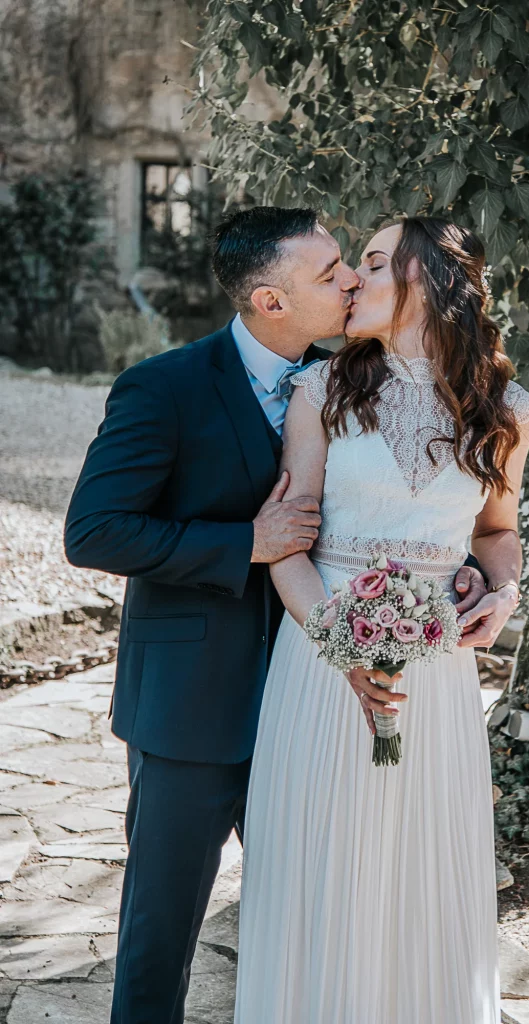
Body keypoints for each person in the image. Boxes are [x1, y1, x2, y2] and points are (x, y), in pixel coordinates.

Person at [63, 206, 486, 1024]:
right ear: (272, 301)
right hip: (192, 702)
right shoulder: (166, 386)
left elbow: (392, 513)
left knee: (317, 912)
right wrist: (244, 544)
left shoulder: (350, 383)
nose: (352, 280)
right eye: (330, 274)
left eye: (351, 265)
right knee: (161, 929)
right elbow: (95, 531)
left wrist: (466, 573)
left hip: (315, 704)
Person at [235, 216, 529, 1024]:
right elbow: (285, 542)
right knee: (323, 861)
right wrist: (341, 646)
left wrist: (503, 591)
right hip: (322, 662)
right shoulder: (321, 389)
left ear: (428, 280)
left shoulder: (506, 408)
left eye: (372, 262)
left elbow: (497, 534)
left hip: (435, 678)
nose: (352, 281)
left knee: (421, 868)